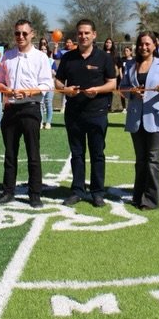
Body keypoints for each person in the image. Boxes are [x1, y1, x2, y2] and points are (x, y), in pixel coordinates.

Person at [0, 19, 54, 208]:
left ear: (32, 34)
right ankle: (8, 192)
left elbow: (47, 84)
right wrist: (7, 90)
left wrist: (29, 92)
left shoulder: (41, 57)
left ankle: (35, 194)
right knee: (10, 154)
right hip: (10, 108)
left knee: (33, 153)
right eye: (17, 33)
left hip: (30, 108)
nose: (20, 37)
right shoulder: (7, 56)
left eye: (24, 33)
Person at [55, 19, 117, 207]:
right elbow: (57, 82)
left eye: (86, 33)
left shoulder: (104, 58)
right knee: (77, 154)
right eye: (80, 33)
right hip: (74, 113)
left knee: (97, 154)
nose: (83, 36)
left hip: (97, 113)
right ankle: (77, 190)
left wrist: (97, 90)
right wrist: (66, 90)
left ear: (94, 35)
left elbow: (113, 83)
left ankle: (97, 192)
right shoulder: (68, 57)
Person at [119, 32, 159, 210]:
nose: (144, 47)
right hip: (136, 117)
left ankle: (150, 199)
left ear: (155, 45)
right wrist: (131, 92)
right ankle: (138, 195)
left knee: (153, 159)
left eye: (148, 44)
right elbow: (123, 88)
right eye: (141, 44)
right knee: (140, 160)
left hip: (156, 117)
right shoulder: (130, 65)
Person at [118, 45, 135, 111]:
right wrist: (121, 77)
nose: (125, 52)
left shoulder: (134, 60)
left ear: (131, 52)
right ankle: (124, 108)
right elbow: (120, 69)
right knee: (122, 93)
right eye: (125, 51)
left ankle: (131, 106)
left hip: (131, 80)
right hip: (124, 79)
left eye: (127, 51)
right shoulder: (122, 60)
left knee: (131, 92)